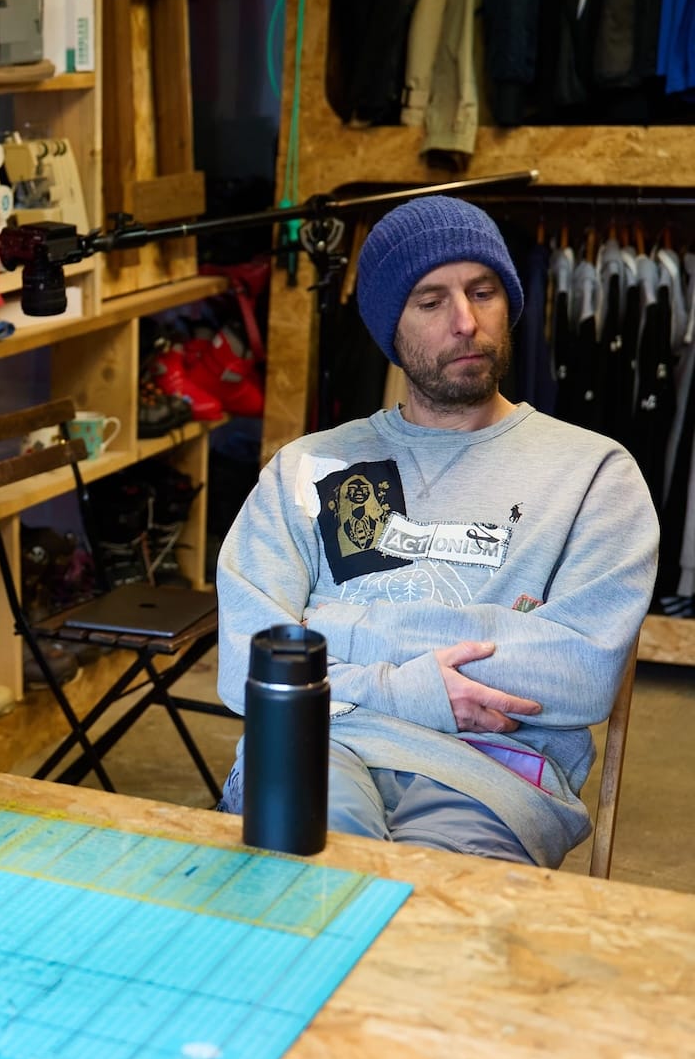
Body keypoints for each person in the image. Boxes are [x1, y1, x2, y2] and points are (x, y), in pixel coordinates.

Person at [216, 196, 655, 867]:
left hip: (490, 775)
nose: (466, 322)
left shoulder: (593, 474)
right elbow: (249, 662)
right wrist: (413, 685)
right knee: (298, 897)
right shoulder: (312, 467)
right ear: (390, 328)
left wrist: (329, 625)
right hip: (319, 741)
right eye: (430, 301)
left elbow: (579, 671)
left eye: (483, 292)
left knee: (433, 939)